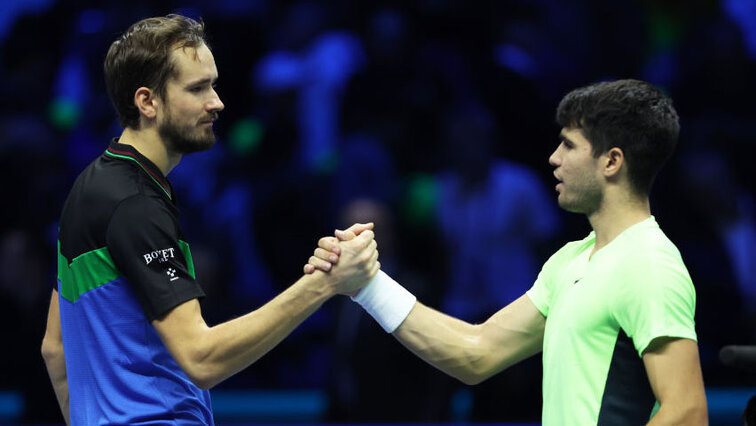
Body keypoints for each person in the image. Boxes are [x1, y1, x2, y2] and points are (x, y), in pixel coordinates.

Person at [41, 14, 380, 425]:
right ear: (147, 102)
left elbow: (55, 350)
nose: (216, 102)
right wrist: (322, 284)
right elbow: (201, 358)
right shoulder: (134, 204)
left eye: (213, 85)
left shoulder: (89, 188)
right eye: (198, 88)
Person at [308, 79, 708, 424]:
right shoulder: (569, 260)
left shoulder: (650, 264)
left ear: (612, 161)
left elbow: (687, 413)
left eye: (569, 146)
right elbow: (476, 353)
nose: (554, 158)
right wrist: (367, 284)